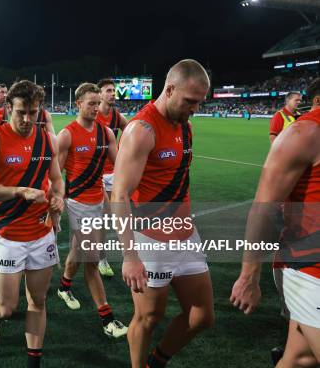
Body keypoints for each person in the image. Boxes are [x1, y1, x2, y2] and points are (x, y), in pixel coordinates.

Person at [111, 59, 214, 368]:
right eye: (190, 101)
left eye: (199, 102)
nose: (195, 108)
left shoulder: (186, 125)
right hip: (151, 241)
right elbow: (119, 195)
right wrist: (130, 255)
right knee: (149, 317)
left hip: (186, 237)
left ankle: (157, 361)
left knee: (202, 317)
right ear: (170, 89)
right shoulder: (141, 130)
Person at [0, 80, 64, 367]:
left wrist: (59, 197)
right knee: (7, 307)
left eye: (32, 112)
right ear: (8, 107)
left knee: (38, 301)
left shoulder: (48, 139)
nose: (26, 119)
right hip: (9, 236)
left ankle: (33, 361)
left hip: (41, 234)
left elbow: (57, 179)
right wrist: (19, 191)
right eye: (21, 112)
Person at [231, 86, 320, 368]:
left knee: (299, 358)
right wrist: (248, 276)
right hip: (307, 267)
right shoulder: (305, 133)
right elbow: (264, 207)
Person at [56, 82, 128, 339]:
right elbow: (55, 176)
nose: (97, 108)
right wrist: (55, 207)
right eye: (91, 103)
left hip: (99, 201)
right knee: (92, 260)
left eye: (98, 103)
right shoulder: (67, 134)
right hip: (76, 204)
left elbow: (119, 165)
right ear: (78, 104)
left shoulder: (106, 133)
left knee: (78, 251)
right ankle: (107, 318)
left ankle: (64, 287)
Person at [95, 78, 128, 277]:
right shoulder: (94, 114)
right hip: (97, 174)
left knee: (117, 215)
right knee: (106, 217)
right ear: (100, 94)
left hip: (114, 172)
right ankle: (101, 258)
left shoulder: (116, 116)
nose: (112, 94)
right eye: (108, 90)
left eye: (114, 91)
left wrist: (123, 149)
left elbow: (131, 130)